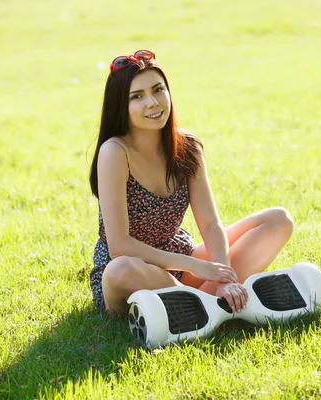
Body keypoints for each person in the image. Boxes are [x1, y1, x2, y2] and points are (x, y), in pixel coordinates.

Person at [88, 50, 294, 316]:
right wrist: (193, 266)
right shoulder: (115, 152)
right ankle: (203, 304)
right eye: (137, 97)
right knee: (120, 269)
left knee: (278, 220)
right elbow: (119, 246)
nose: (152, 102)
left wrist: (223, 276)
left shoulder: (187, 147)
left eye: (158, 90)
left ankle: (204, 304)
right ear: (121, 105)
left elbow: (209, 223)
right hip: (133, 273)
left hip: (180, 261)